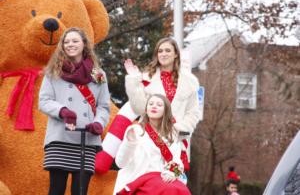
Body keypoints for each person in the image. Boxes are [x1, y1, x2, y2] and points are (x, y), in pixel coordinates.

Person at [95, 37, 201, 174]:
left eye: (168, 50)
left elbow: (193, 113)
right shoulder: (146, 79)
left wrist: (178, 129)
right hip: (148, 138)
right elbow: (138, 108)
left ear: (176, 54)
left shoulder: (189, 82)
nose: (163, 54)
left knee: (172, 183)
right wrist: (134, 81)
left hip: (174, 139)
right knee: (143, 180)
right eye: (160, 51)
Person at [39, 27, 110, 195]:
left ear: (84, 44)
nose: (70, 44)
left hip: (86, 138)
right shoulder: (52, 72)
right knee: (56, 190)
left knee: (80, 191)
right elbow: (44, 101)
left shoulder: (98, 74)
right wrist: (62, 111)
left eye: (75, 41)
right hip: (60, 137)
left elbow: (103, 106)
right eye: (66, 41)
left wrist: (98, 123)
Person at [114, 94, 191, 195]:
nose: (154, 106)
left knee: (182, 191)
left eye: (159, 105)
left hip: (162, 178)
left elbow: (177, 161)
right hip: (138, 179)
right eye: (150, 104)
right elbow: (120, 163)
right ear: (146, 109)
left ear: (166, 111)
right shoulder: (135, 130)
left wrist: (172, 173)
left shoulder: (171, 136)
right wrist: (130, 143)